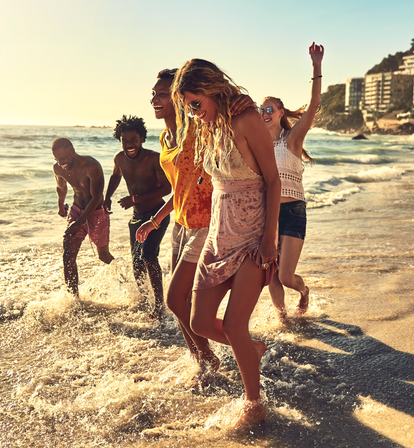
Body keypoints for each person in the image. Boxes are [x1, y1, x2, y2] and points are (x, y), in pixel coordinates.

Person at [172, 58, 280, 428]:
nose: (192, 112)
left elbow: (274, 181)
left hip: (252, 236)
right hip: (219, 236)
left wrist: (269, 240)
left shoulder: (247, 120)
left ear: (213, 90)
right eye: (188, 106)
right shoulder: (210, 126)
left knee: (235, 325)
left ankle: (254, 403)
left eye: (195, 104)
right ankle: (253, 351)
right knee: (199, 321)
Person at [136, 69, 256, 385]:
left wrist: (244, 101)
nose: (155, 99)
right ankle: (203, 362)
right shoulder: (165, 138)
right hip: (180, 222)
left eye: (163, 93)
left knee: (176, 300)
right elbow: (181, 187)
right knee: (179, 305)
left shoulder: (197, 127)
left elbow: (226, 112)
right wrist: (157, 219)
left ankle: (219, 356)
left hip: (208, 221)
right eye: (154, 93)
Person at [263, 42, 324, 319]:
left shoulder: (293, 139)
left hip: (293, 211)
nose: (265, 113)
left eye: (270, 109)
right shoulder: (257, 146)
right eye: (261, 110)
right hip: (267, 213)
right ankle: (282, 318)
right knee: (270, 274)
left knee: (286, 276)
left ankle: (304, 291)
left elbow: (312, 107)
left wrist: (316, 65)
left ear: (280, 113)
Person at [104, 115, 171, 319]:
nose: (129, 144)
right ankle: (144, 300)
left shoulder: (153, 158)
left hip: (157, 215)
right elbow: (116, 175)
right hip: (136, 217)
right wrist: (106, 197)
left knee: (150, 257)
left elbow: (167, 188)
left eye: (134, 139)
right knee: (137, 262)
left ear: (142, 138)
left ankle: (159, 306)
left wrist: (135, 198)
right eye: (125, 140)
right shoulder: (119, 158)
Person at [52, 137, 114, 296]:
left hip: (96, 213)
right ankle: (74, 300)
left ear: (72, 151)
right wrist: (61, 205)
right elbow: (61, 187)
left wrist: (79, 222)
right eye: (58, 160)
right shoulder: (58, 168)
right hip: (77, 209)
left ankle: (126, 280)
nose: (62, 163)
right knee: (68, 256)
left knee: (104, 256)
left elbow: (97, 197)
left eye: (64, 158)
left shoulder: (92, 166)